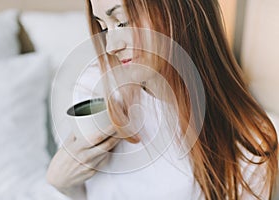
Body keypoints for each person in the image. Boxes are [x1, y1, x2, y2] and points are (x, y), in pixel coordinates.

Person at [46, 0, 278, 199]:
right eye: (104, 28)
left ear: (180, 10)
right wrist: (62, 183)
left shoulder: (250, 145)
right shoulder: (92, 88)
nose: (111, 46)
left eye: (123, 22)